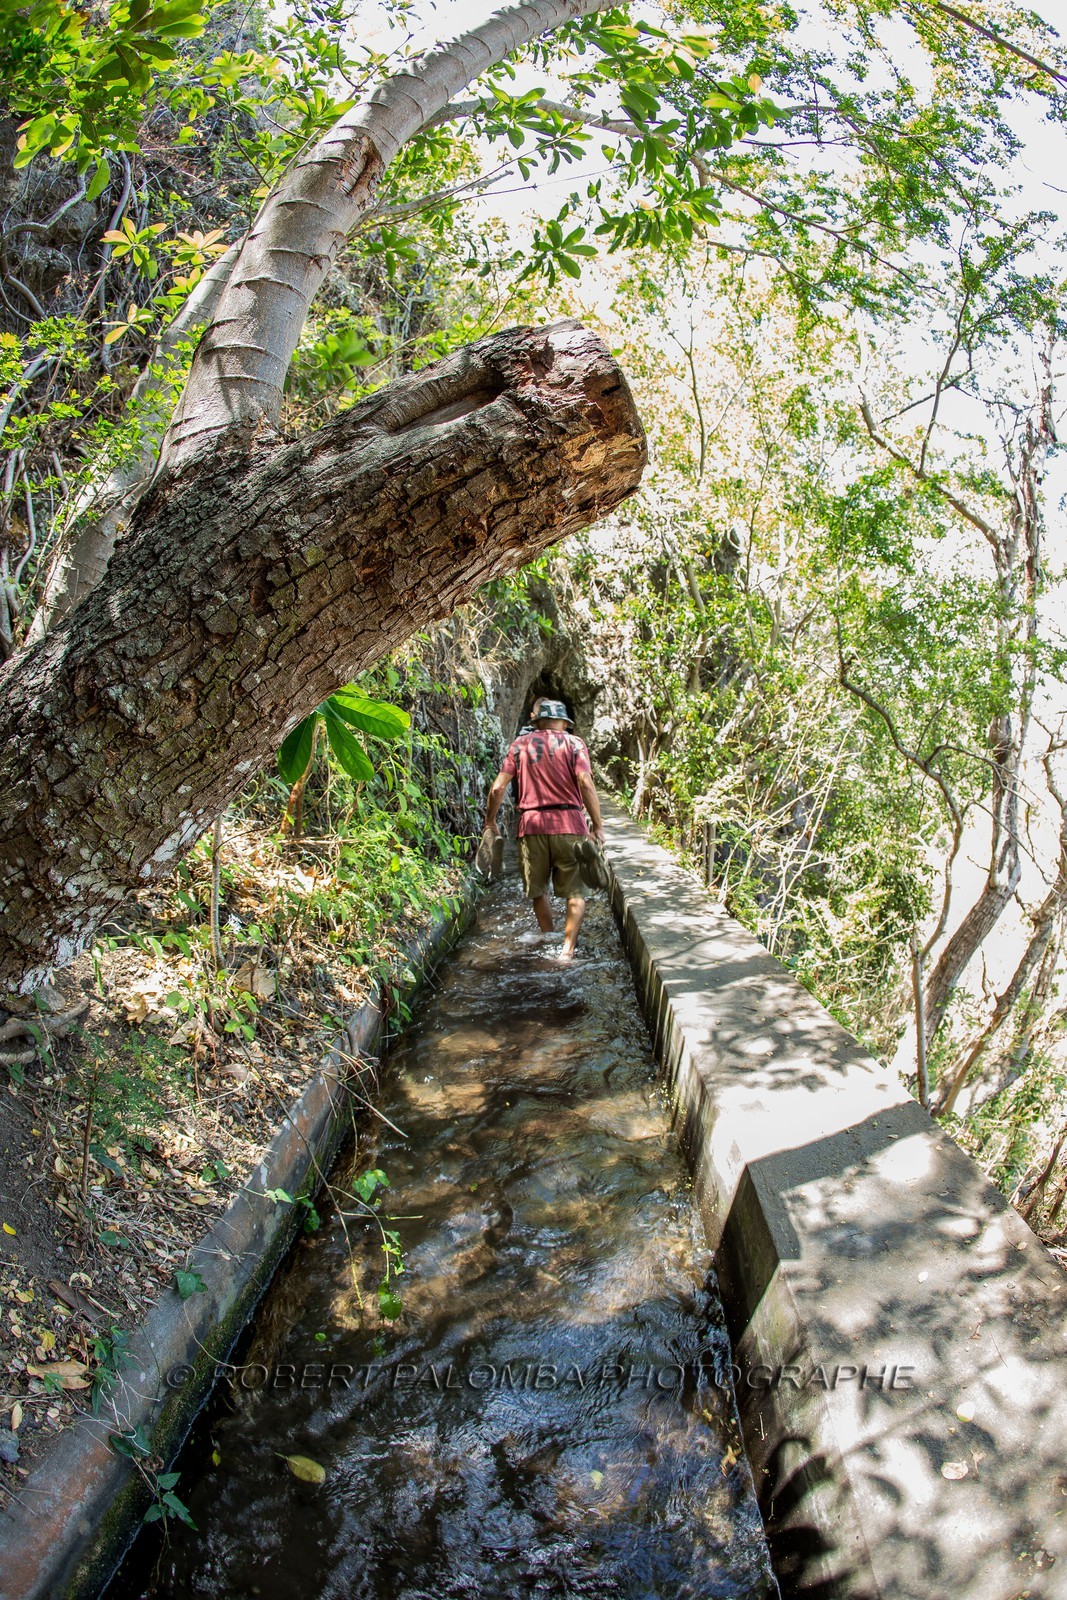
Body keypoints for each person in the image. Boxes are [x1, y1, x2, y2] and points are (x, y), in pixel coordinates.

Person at [483, 697, 606, 961]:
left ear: (536, 722)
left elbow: (497, 788)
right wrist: (597, 825)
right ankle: (566, 951)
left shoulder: (520, 745)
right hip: (570, 825)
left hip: (532, 827)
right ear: (564, 723)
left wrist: (490, 822)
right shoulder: (574, 744)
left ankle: (548, 936)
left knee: (538, 890)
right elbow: (585, 783)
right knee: (576, 892)